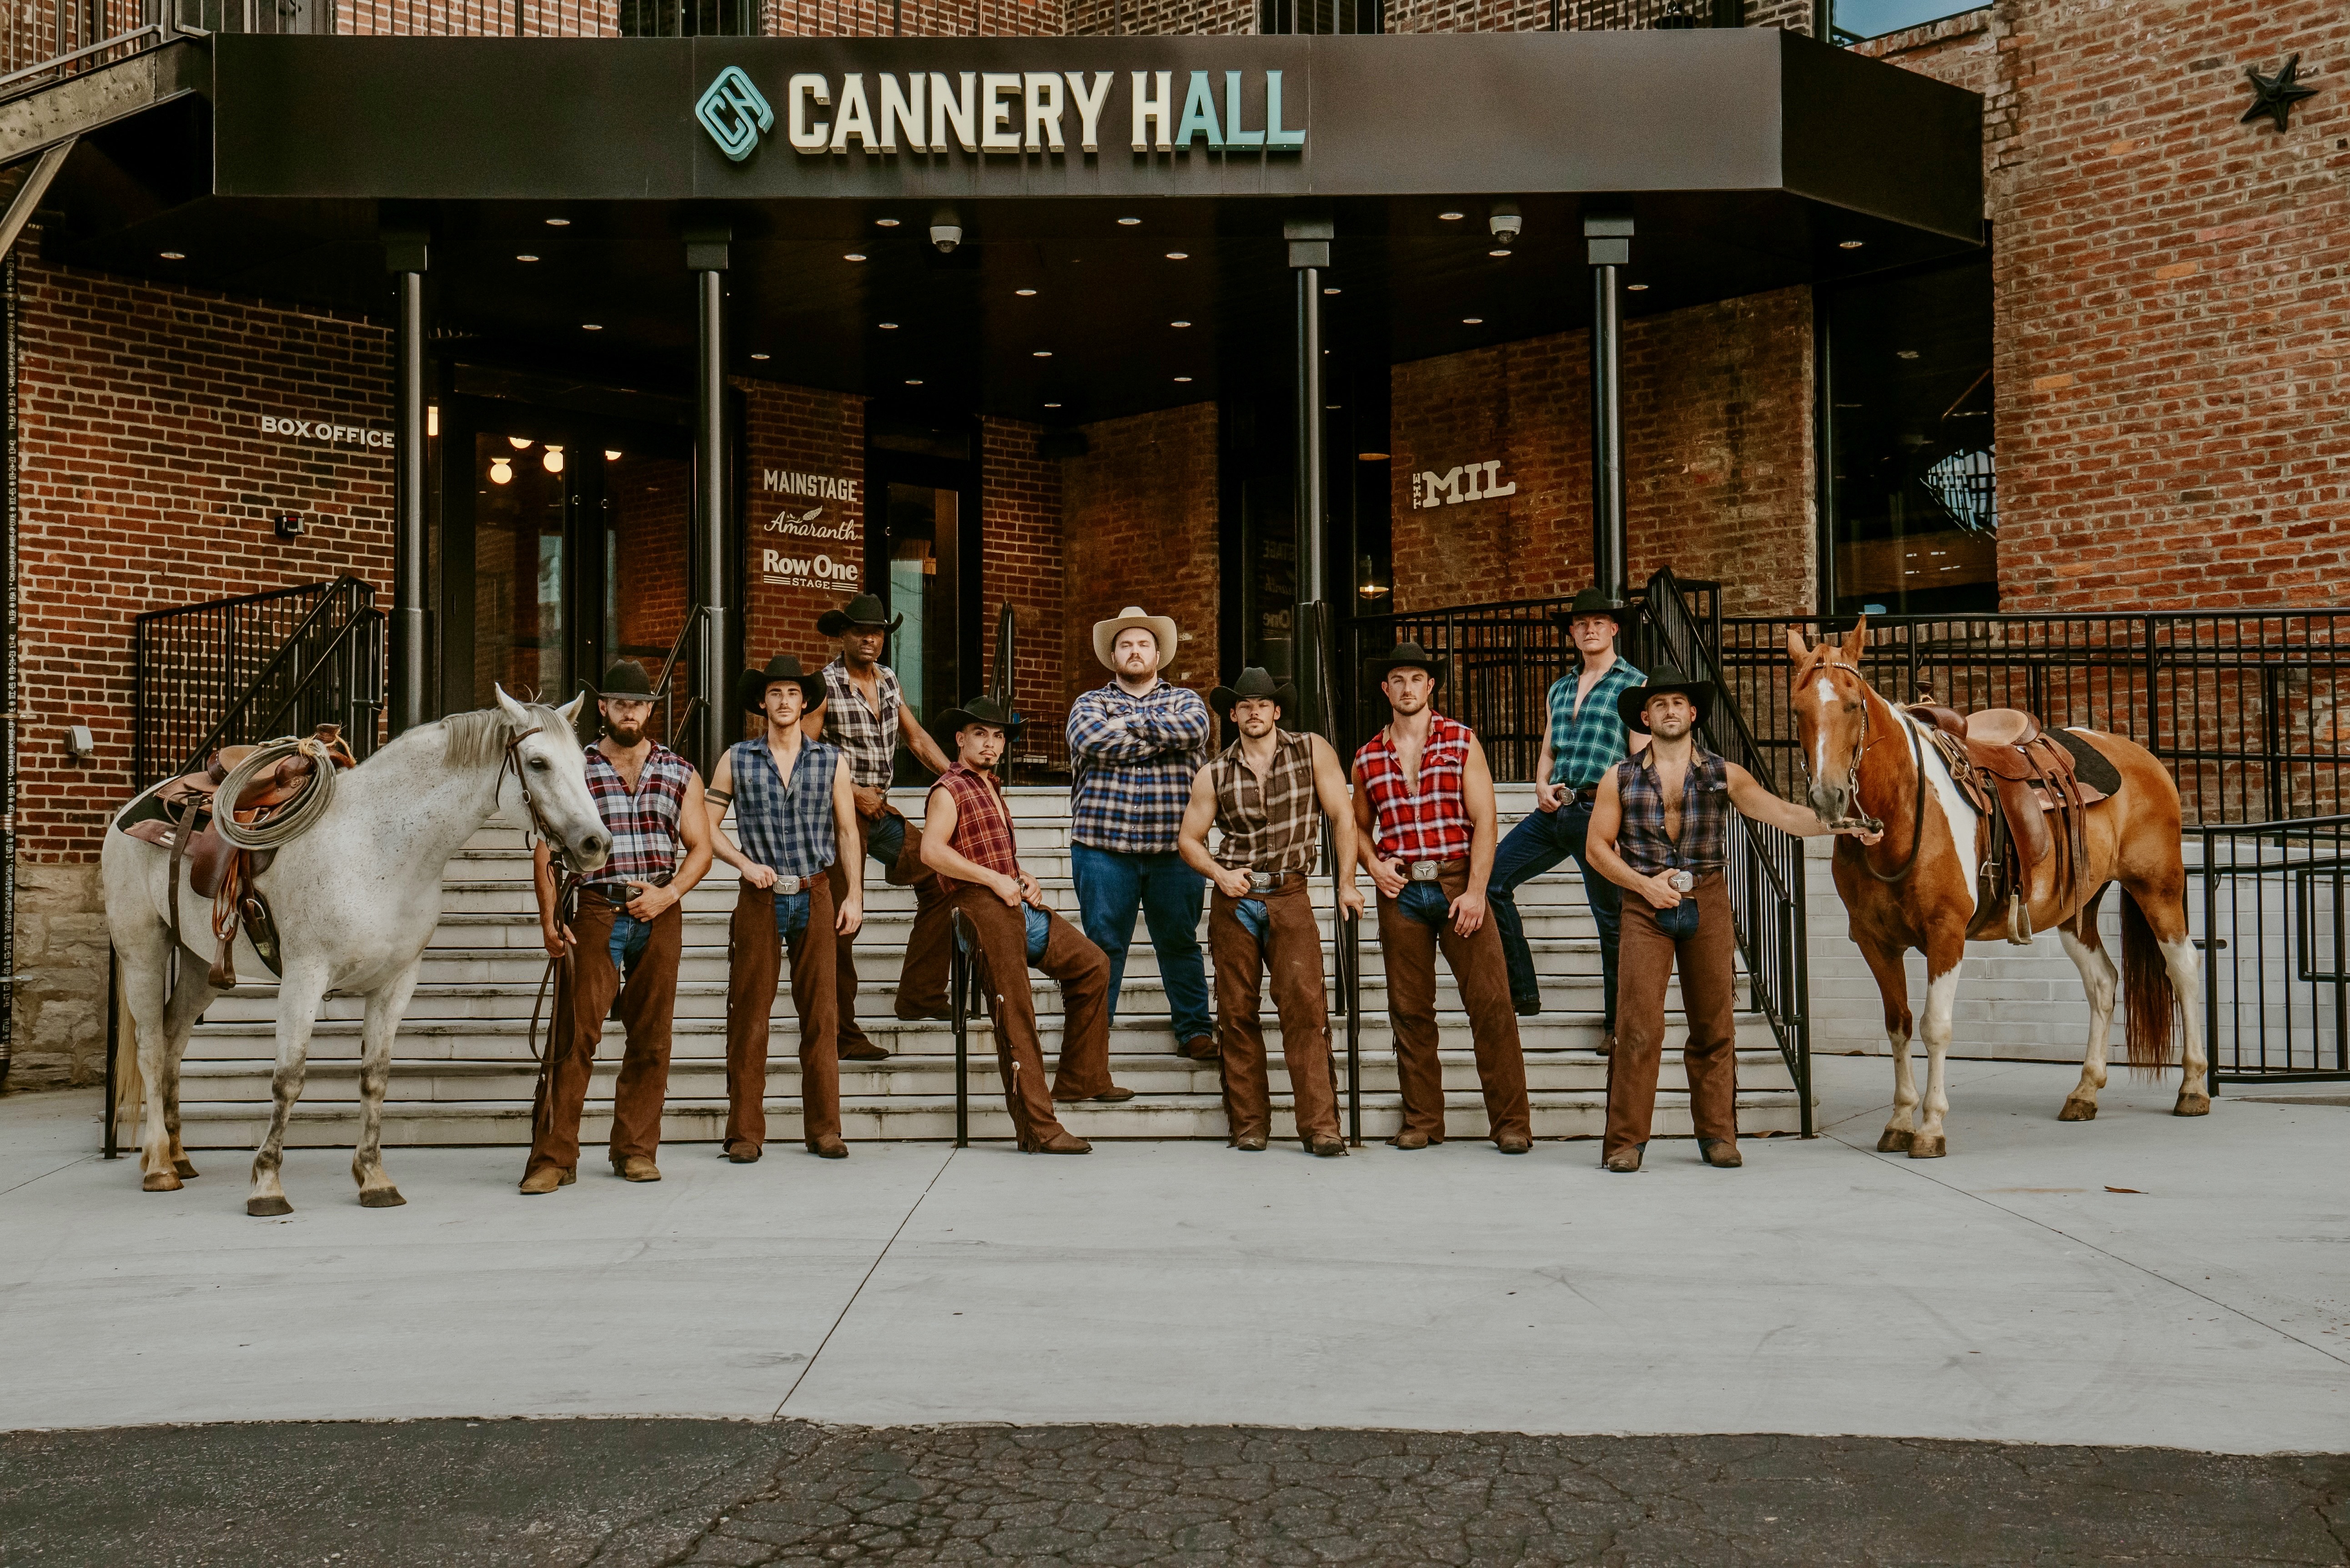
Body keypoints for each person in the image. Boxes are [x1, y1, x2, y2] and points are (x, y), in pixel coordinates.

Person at [1584, 668, 1874, 1173]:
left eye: (1678, 703)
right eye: (1659, 704)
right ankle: (1624, 1142)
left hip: (1707, 900)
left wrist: (1840, 825)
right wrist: (1642, 885)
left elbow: (1782, 814)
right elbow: (1595, 849)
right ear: (1645, 717)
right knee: (1636, 1026)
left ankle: (1717, 1135)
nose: (1670, 710)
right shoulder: (1620, 776)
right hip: (1644, 905)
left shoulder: (1723, 772)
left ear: (1692, 714)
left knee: (1713, 1026)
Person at [522, 660, 715, 1195]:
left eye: (640, 703)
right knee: (573, 1035)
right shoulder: (576, 767)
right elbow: (544, 850)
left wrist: (669, 893)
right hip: (595, 905)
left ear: (651, 709)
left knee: (651, 1037)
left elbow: (700, 848)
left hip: (658, 906)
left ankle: (634, 1149)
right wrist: (548, 918)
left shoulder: (680, 771)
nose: (630, 711)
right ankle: (553, 1157)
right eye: (619, 702)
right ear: (602, 708)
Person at [922, 695, 1130, 1154]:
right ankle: (1038, 1128)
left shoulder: (991, 786)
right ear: (960, 739)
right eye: (980, 734)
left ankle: (1080, 1077)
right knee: (1014, 1007)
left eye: (997, 736)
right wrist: (994, 879)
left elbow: (992, 855)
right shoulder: (948, 789)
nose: (990, 743)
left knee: (1093, 964)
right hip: (977, 906)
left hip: (1009, 898)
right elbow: (932, 852)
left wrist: (1022, 877)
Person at [1350, 642, 1533, 1155]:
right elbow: (1358, 828)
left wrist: (1477, 891)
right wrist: (1373, 865)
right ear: (1385, 690)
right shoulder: (1367, 756)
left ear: (1431, 686)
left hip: (1457, 882)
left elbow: (1486, 820)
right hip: (1402, 890)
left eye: (1417, 679)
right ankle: (1423, 1121)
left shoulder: (1460, 740)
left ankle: (1510, 1123)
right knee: (1409, 1009)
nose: (1407, 689)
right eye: (1397, 681)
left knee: (1491, 1004)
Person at [1176, 668, 1362, 1156]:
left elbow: (1343, 815)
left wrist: (1346, 883)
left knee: (1305, 1008)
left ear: (1276, 711)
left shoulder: (1311, 749)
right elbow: (1188, 840)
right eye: (1244, 705)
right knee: (1236, 1013)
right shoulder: (1213, 771)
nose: (1254, 711)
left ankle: (1321, 1126)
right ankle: (1249, 1124)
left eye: (1263, 704)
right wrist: (1218, 873)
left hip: (1289, 893)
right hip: (1235, 898)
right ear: (1232, 715)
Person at [707, 653, 864, 1162]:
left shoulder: (830, 761)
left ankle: (824, 1130)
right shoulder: (736, 758)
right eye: (775, 692)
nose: (783, 701)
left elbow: (846, 831)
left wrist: (854, 896)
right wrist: (741, 862)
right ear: (762, 701)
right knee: (749, 1015)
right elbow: (704, 827)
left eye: (792, 693)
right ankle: (744, 1133)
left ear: (804, 702)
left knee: (821, 1015)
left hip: (815, 892)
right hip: (759, 896)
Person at [807, 592, 959, 1060]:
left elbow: (914, 738)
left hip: (879, 814)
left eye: (877, 632)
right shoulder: (824, 685)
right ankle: (841, 1032)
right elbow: (805, 757)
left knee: (943, 877)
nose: (870, 639)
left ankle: (920, 995)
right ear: (843, 636)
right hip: (834, 815)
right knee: (840, 920)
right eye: (860, 631)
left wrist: (961, 780)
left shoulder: (889, 681)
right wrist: (851, 791)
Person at [1490, 587, 1646, 1042]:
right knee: (1491, 879)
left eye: (1598, 621)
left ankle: (1619, 1026)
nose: (1590, 628)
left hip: (1600, 808)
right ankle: (1523, 993)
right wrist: (1540, 784)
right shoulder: (1559, 688)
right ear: (1572, 633)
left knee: (1611, 918)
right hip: (1555, 809)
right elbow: (1548, 748)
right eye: (1581, 624)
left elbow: (1637, 764)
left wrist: (1624, 825)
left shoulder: (1632, 685)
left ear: (1614, 628)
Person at [1065, 606, 1216, 1059]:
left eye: (1143, 644)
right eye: (1126, 644)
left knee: (1178, 940)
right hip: (1102, 847)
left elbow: (1193, 730)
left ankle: (1194, 1030)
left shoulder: (1187, 701)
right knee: (1101, 945)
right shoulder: (1087, 704)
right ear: (1113, 656)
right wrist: (1158, 740)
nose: (1135, 651)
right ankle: (1092, 1039)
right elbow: (1090, 739)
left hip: (1176, 848)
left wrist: (1126, 731)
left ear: (1158, 654)